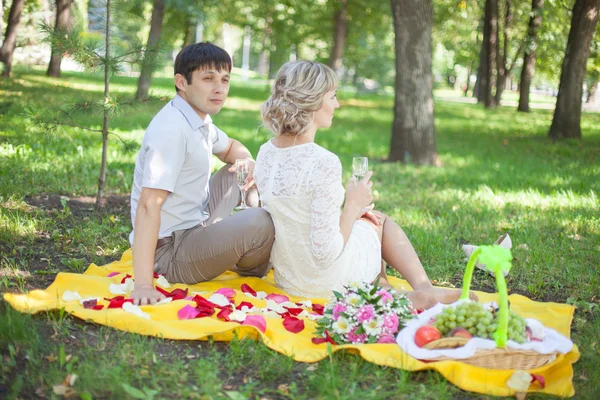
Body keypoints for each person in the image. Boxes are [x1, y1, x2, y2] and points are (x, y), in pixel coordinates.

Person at [254, 60, 476, 309]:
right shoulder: (323, 162)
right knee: (378, 220)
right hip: (329, 281)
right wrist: (352, 206)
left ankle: (385, 287)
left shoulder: (265, 153)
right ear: (313, 101)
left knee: (365, 222)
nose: (337, 104)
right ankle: (421, 290)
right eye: (333, 96)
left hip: (290, 280)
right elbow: (325, 253)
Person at [129, 42, 275, 306]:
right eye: (208, 79)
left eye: (224, 79)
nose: (219, 88)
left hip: (195, 226)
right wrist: (142, 284)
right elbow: (149, 205)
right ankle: (253, 263)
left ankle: (244, 246)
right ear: (181, 82)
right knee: (262, 221)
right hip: (170, 255)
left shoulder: (197, 118)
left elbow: (230, 147)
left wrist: (248, 162)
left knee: (240, 172)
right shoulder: (172, 130)